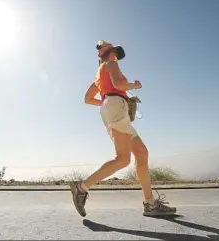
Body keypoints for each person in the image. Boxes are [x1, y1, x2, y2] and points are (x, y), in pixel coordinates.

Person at [70, 40, 177, 217]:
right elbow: (120, 85)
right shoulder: (111, 65)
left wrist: (106, 103)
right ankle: (81, 188)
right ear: (111, 53)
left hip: (113, 107)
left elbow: (88, 99)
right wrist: (135, 86)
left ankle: (150, 203)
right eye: (115, 53)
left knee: (141, 153)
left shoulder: (100, 74)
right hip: (115, 106)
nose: (116, 57)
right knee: (123, 159)